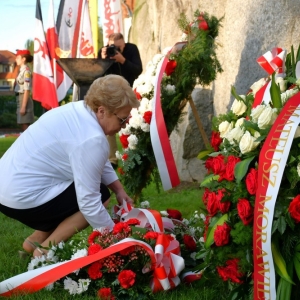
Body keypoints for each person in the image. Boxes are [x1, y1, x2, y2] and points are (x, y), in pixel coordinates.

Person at [0, 75, 140, 257]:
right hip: (22, 197)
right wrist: (117, 242)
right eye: (122, 119)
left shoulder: (80, 110)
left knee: (76, 195)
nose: (125, 123)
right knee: (101, 195)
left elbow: (97, 160)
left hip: (7, 190)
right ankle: (44, 251)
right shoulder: (92, 138)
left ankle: (31, 244)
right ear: (102, 111)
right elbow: (89, 203)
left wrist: (119, 190)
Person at [98, 33, 143, 168]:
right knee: (108, 122)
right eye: (114, 47)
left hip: (129, 91)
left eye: (119, 47)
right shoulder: (104, 52)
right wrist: (102, 59)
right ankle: (112, 159)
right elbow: (97, 74)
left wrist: (123, 60)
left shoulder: (131, 49)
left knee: (132, 124)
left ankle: (133, 155)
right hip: (112, 93)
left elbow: (138, 70)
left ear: (124, 44)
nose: (116, 50)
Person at [14, 49, 35, 132]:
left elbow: (27, 90)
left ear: (23, 59)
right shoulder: (21, 71)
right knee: (23, 125)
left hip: (24, 99)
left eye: (18, 57)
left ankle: (29, 144)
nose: (16, 59)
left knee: (25, 127)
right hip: (20, 98)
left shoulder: (26, 72)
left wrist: (23, 107)